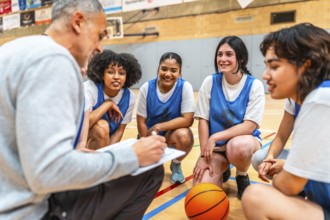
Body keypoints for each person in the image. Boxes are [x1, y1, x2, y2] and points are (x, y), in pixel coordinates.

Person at [0, 1, 167, 219]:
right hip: (30, 211)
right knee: (151, 172)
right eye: (99, 35)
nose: (99, 47)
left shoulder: (13, 49)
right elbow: (48, 173)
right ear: (78, 22)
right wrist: (132, 157)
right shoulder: (55, 59)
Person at [242, 23, 330, 220]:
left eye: (274, 66)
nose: (265, 75)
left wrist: (288, 175)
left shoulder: (321, 99)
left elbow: (289, 185)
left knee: (255, 197)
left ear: (306, 65)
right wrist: (287, 167)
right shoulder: (317, 96)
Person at [193, 36, 265, 200]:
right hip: (216, 149)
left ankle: (241, 175)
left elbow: (249, 126)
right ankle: (222, 170)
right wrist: (204, 157)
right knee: (201, 195)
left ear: (240, 58)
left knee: (238, 146)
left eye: (228, 54)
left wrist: (215, 136)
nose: (222, 59)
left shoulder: (254, 86)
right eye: (220, 54)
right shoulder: (210, 82)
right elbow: (203, 120)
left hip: (242, 144)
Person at [136, 52, 195, 184]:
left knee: (184, 135)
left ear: (179, 72)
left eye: (173, 70)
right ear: (158, 69)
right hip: (149, 135)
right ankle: (152, 160)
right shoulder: (146, 88)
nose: (168, 74)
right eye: (164, 69)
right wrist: (146, 142)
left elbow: (188, 120)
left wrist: (159, 126)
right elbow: (141, 121)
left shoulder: (185, 87)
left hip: (170, 135)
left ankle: (176, 164)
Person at [78, 49, 142, 150]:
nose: (116, 77)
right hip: (80, 140)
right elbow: (83, 125)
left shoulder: (130, 97)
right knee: (102, 127)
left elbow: (119, 131)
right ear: (102, 74)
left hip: (104, 143)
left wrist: (110, 156)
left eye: (121, 73)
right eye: (110, 72)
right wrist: (107, 104)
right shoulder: (89, 89)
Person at [252, 98, 299, 182]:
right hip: (302, 159)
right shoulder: (293, 100)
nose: (269, 84)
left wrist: (289, 166)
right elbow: (281, 137)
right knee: (260, 159)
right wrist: (269, 158)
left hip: (320, 167)